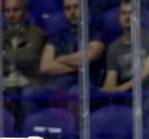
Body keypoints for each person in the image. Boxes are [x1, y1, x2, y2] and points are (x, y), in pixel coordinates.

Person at [39, 0, 106, 90]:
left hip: (86, 84)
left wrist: (61, 59)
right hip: (59, 83)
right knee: (31, 93)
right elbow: (45, 67)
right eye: (68, 8)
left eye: (76, 7)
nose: (72, 12)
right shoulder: (58, 36)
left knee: (75, 92)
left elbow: (90, 56)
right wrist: (78, 65)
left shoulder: (95, 33)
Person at [100, 0, 149, 95]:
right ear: (119, 18)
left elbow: (146, 73)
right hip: (124, 95)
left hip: (147, 91)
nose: (127, 17)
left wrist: (120, 90)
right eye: (123, 14)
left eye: (131, 13)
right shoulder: (113, 47)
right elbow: (111, 77)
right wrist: (108, 89)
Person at [2, 0, 46, 128]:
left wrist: (5, 55)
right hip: (5, 84)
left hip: (29, 83)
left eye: (16, 10)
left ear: (25, 12)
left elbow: (29, 57)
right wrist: (19, 54)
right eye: (7, 11)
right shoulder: (2, 35)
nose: (11, 15)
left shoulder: (37, 33)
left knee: (25, 94)